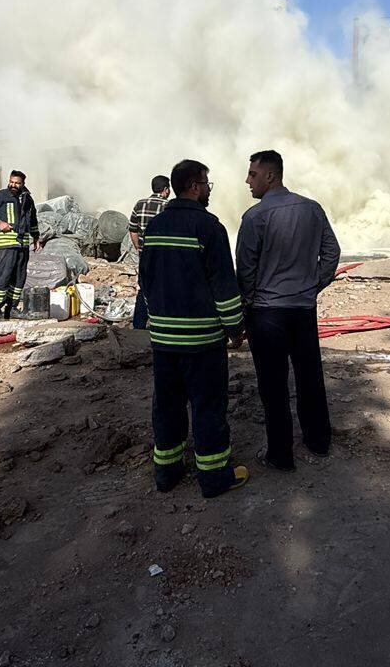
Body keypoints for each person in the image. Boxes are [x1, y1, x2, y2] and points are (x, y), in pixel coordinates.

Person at [138, 159, 249, 498]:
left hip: (164, 340)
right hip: (202, 341)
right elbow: (223, 286)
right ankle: (215, 478)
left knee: (167, 406)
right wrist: (235, 328)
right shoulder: (209, 228)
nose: (209, 190)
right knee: (207, 405)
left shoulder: (155, 227)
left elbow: (145, 280)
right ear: (196, 186)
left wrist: (154, 320)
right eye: (207, 184)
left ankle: (167, 473)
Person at [236, 150, 341, 472]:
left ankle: (281, 455)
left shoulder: (255, 217)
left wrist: (248, 304)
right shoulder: (312, 209)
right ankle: (318, 441)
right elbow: (332, 252)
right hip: (302, 310)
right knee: (310, 376)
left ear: (270, 176)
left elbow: (245, 270)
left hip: (267, 314)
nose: (247, 180)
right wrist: (312, 287)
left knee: (273, 384)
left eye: (252, 174)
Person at [0, 170, 41, 319]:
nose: (13, 185)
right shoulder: (0, 196)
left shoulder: (28, 199)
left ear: (23, 184)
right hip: (5, 244)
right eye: (12, 182)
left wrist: (36, 237)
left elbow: (32, 219)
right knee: (2, 276)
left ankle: (12, 309)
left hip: (22, 245)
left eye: (17, 183)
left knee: (19, 278)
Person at [128, 175, 171, 329]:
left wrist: (139, 248)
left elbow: (132, 229)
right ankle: (161, 324)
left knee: (144, 289)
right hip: (164, 257)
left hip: (145, 256)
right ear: (166, 190)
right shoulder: (169, 206)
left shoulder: (139, 204)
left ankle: (138, 325)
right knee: (165, 289)